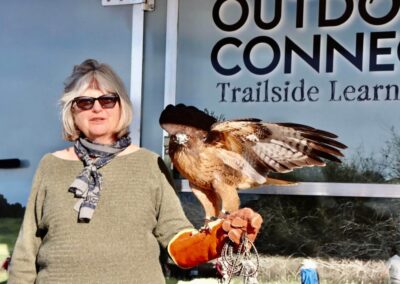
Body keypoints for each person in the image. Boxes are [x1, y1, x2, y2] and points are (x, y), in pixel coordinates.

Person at [7, 59, 263, 283]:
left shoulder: (149, 164)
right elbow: (27, 249)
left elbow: (176, 240)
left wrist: (216, 240)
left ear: (121, 107)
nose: (97, 108)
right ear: (72, 111)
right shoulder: (51, 165)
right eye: (85, 102)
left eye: (108, 99)